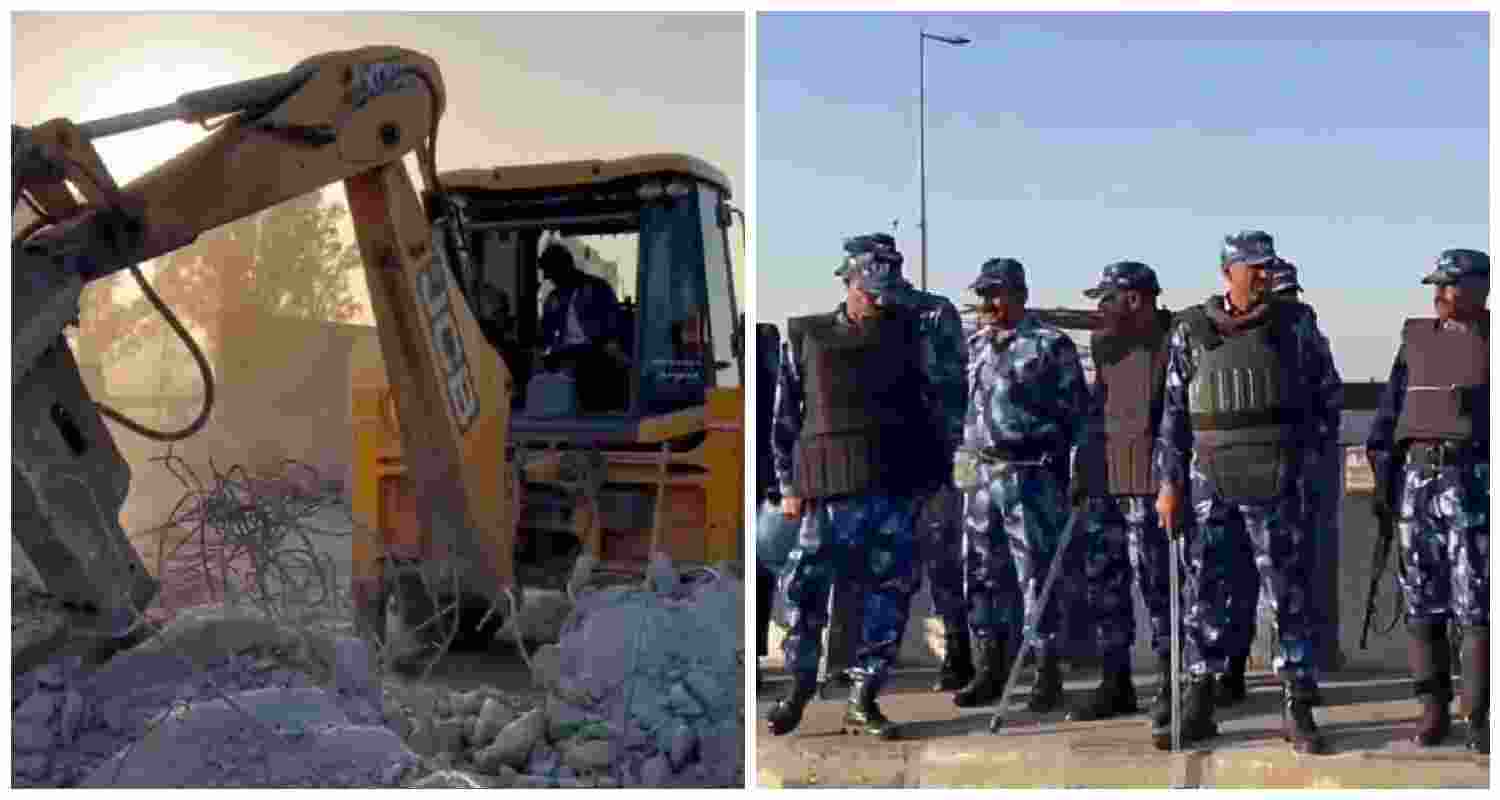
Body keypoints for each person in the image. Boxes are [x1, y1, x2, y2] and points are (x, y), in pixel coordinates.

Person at [1154, 230, 1342, 753]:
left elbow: (1327, 399)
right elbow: (1172, 415)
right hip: (1208, 480)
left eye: (1268, 266)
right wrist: (1168, 484)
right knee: (1206, 593)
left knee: (1286, 595)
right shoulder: (1190, 330)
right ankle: (1198, 699)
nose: (1262, 275)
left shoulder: (1295, 324)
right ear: (1227, 271)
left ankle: (1297, 705)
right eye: (1252, 267)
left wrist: (1303, 465)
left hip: (1277, 480)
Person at [765, 244, 942, 739]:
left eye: (889, 296)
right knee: (804, 592)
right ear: (848, 284)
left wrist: (930, 484)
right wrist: (788, 485)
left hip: (893, 489)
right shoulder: (808, 335)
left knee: (890, 596)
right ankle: (798, 688)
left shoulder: (909, 335)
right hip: (825, 493)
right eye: (872, 294)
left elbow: (929, 413)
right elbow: (785, 418)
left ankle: (864, 697)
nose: (881, 305)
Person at [825, 233, 974, 694]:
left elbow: (958, 388)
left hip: (927, 455)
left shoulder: (933, 314)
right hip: (867, 459)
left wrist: (944, 454)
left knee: (941, 560)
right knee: (859, 562)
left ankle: (959, 656)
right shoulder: (849, 318)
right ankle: (848, 663)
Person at [951, 257, 1090, 712]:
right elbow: (964, 414)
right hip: (980, 477)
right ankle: (989, 669)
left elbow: (1078, 417)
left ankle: (1046, 673)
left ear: (1019, 295)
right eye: (983, 294)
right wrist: (963, 476)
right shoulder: (974, 346)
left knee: (1036, 576)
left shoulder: (1050, 345)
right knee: (983, 577)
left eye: (997, 294)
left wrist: (1074, 474)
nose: (988, 303)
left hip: (1030, 475)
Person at [1365, 248, 1489, 754]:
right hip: (1419, 478)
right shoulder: (1415, 339)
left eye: (1450, 284)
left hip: (1475, 480)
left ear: (1482, 287)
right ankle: (1432, 709)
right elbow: (1390, 412)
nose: (1438, 294)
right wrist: (1383, 480)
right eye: (1435, 285)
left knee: (1477, 603)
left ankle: (1478, 714)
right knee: (1422, 599)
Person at [1063, 261, 1179, 734]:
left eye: (1107, 299)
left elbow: (1179, 419)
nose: (1101, 309)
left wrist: (1173, 481)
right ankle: (1116, 681)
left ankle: (1173, 687)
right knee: (1105, 589)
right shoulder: (1106, 344)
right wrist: (1083, 471)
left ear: (1135, 298)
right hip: (1107, 485)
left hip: (1153, 487)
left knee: (1160, 591)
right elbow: (1099, 410)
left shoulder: (1176, 340)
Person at [536, 242, 626, 411]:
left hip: (596, 347)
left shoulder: (597, 287)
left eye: (553, 273)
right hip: (565, 350)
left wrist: (611, 343)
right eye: (549, 275)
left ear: (566, 266)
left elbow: (613, 320)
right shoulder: (554, 298)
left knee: (592, 367)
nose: (551, 279)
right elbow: (545, 333)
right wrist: (543, 350)